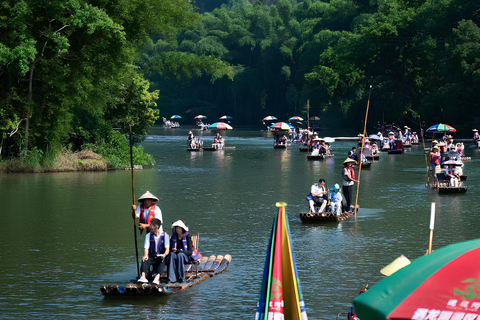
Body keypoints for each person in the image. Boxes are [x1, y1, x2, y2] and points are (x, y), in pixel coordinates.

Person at [137, 218, 170, 285]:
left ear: (156, 226)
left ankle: (157, 279)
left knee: (162, 260)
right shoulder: (148, 235)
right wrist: (146, 255)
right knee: (144, 259)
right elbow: (146, 248)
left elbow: (167, 250)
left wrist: (164, 255)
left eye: (151, 225)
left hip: (161, 256)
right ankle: (143, 277)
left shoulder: (165, 236)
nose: (150, 227)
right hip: (152, 256)